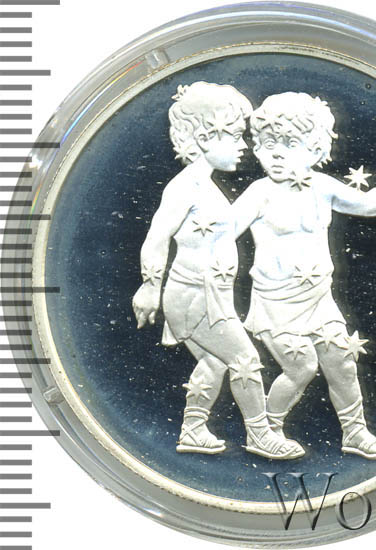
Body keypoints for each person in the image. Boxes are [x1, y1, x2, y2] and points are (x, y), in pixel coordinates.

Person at [232, 92, 376, 459]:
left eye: (289, 144)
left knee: (342, 361)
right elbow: (223, 231)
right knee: (301, 366)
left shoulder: (322, 187)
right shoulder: (258, 193)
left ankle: (355, 432)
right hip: (275, 302)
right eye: (267, 144)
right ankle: (265, 431)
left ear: (314, 149)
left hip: (317, 298)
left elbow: (365, 205)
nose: (276, 153)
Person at [132, 82, 303, 460]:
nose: (244, 146)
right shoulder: (185, 187)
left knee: (214, 362)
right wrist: (149, 287)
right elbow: (156, 237)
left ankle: (193, 429)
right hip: (195, 295)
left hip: (209, 295)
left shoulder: (204, 185)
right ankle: (259, 434)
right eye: (236, 136)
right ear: (206, 137)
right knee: (245, 360)